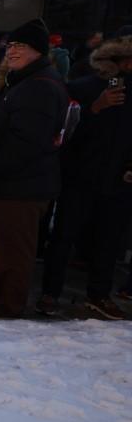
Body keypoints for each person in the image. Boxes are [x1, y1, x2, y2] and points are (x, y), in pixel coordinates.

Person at [0, 19, 68, 317]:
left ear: (37, 50)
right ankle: (2, 297)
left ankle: (8, 307)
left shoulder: (39, 87)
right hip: (17, 183)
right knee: (6, 247)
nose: (11, 51)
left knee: (15, 250)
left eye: (19, 46)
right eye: (10, 45)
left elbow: (25, 144)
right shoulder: (27, 82)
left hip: (22, 186)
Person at [37, 34, 132, 320]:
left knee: (109, 240)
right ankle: (50, 291)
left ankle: (99, 294)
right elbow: (63, 133)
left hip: (119, 180)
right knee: (64, 236)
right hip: (79, 177)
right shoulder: (82, 88)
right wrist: (96, 108)